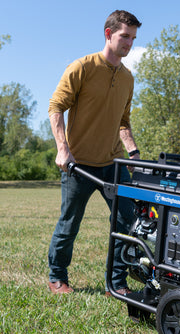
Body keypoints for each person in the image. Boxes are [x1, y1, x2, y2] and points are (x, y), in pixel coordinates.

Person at [48, 10, 142, 295]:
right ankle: (57, 278)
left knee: (127, 221)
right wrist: (63, 149)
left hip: (113, 163)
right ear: (108, 34)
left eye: (133, 38)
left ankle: (116, 283)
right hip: (78, 164)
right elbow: (56, 107)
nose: (129, 43)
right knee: (70, 223)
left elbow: (123, 122)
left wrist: (134, 152)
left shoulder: (127, 78)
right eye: (125, 36)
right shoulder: (82, 67)